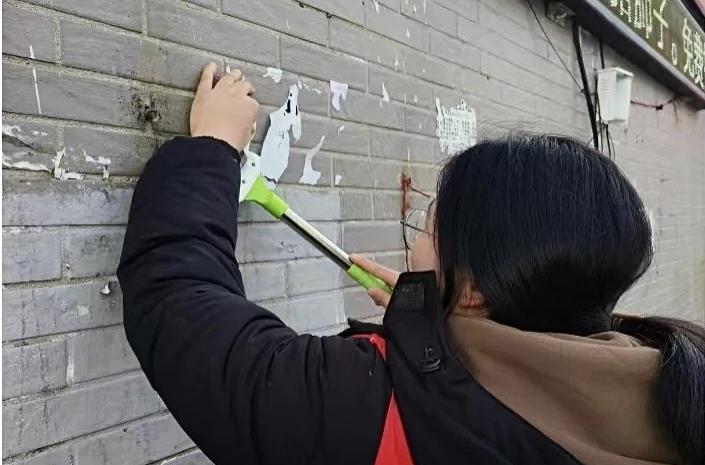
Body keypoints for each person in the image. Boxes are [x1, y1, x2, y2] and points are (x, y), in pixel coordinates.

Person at [118, 63, 705, 465]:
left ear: (475, 289)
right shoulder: (664, 389)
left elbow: (182, 310)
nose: (417, 244)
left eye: (428, 226)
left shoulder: (374, 410)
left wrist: (211, 150)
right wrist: (444, 314)